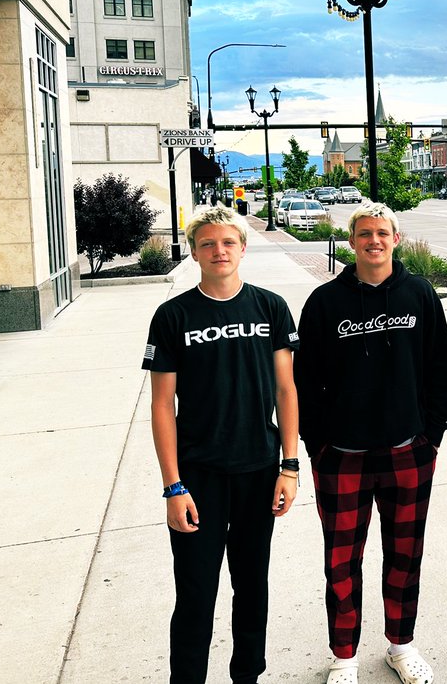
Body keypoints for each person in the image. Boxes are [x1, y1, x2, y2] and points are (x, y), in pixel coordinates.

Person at [295, 203, 447, 684]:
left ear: (396, 238)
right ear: (352, 242)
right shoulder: (325, 303)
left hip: (409, 450)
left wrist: (432, 436)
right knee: (342, 561)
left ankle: (400, 646)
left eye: (382, 233)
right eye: (364, 234)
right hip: (342, 456)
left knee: (405, 555)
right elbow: (306, 381)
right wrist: (317, 445)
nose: (374, 241)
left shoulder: (419, 295)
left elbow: (438, 369)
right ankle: (343, 658)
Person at [143, 205, 300, 683]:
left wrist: (289, 467)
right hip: (199, 475)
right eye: (208, 244)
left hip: (258, 470)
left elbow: (286, 390)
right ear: (193, 252)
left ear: (243, 248)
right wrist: (173, 487)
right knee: (195, 594)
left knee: (252, 589)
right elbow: (161, 406)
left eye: (228, 242)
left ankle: (247, 675)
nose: (219, 251)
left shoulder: (270, 306)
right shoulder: (173, 316)